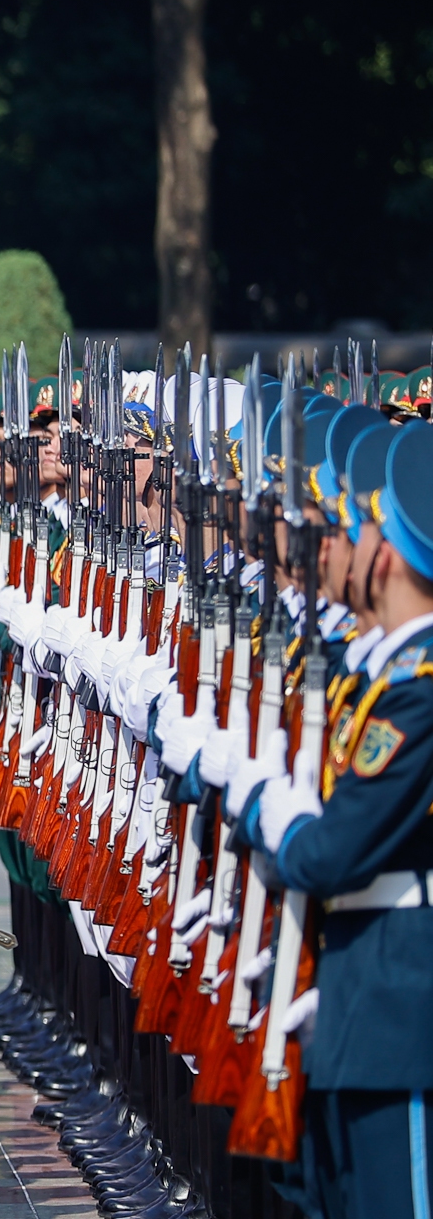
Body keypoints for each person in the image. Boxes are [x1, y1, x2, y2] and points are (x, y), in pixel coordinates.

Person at [230, 420, 433, 1219]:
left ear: (382, 554)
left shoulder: (417, 698)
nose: (326, 550)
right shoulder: (395, 683)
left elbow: (331, 854)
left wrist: (269, 813)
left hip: (401, 1009)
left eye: (345, 531)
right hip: (363, 993)